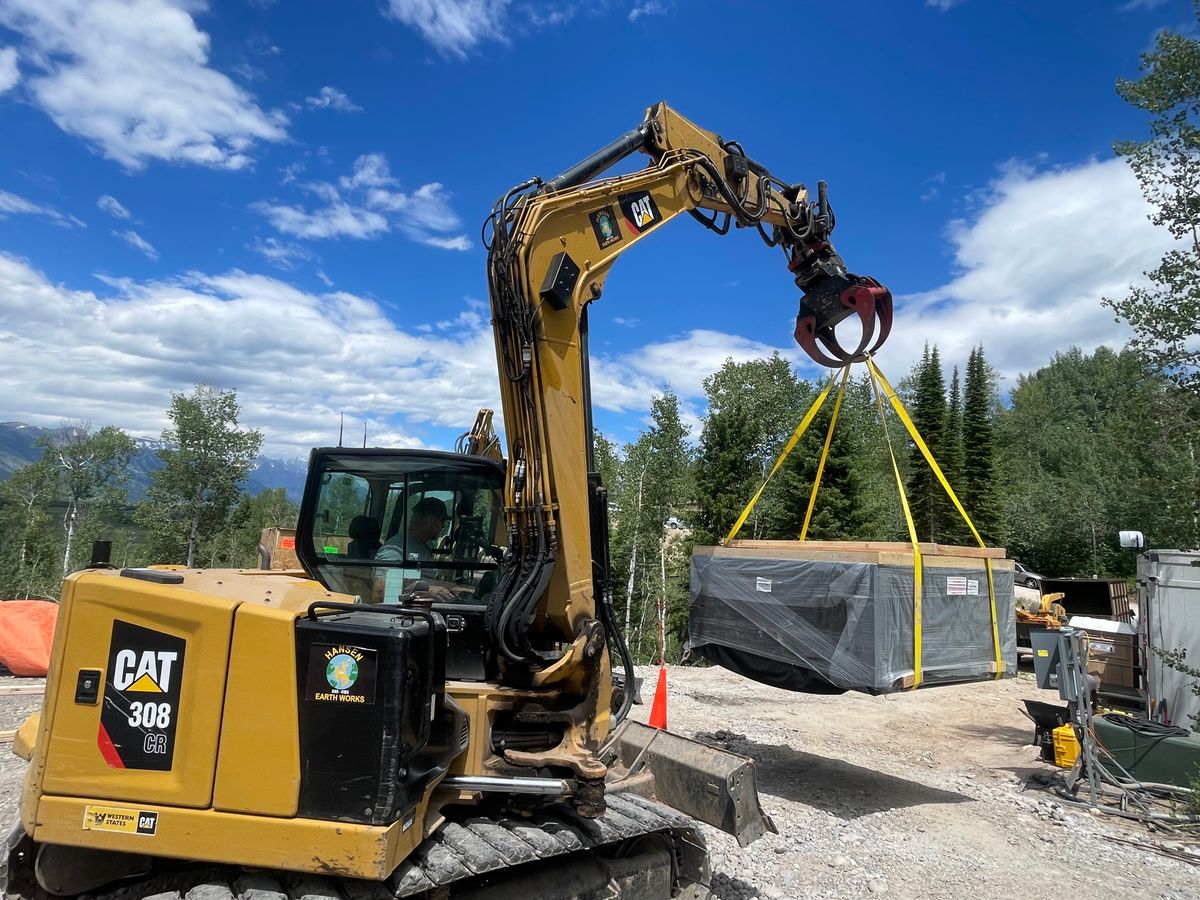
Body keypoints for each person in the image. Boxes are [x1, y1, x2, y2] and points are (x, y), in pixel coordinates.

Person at [375, 496, 455, 601]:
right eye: (442, 521)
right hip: (400, 613)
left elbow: (420, 580)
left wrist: (451, 587)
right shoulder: (397, 548)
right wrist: (427, 591)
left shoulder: (422, 547)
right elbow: (381, 587)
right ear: (431, 520)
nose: (442, 527)